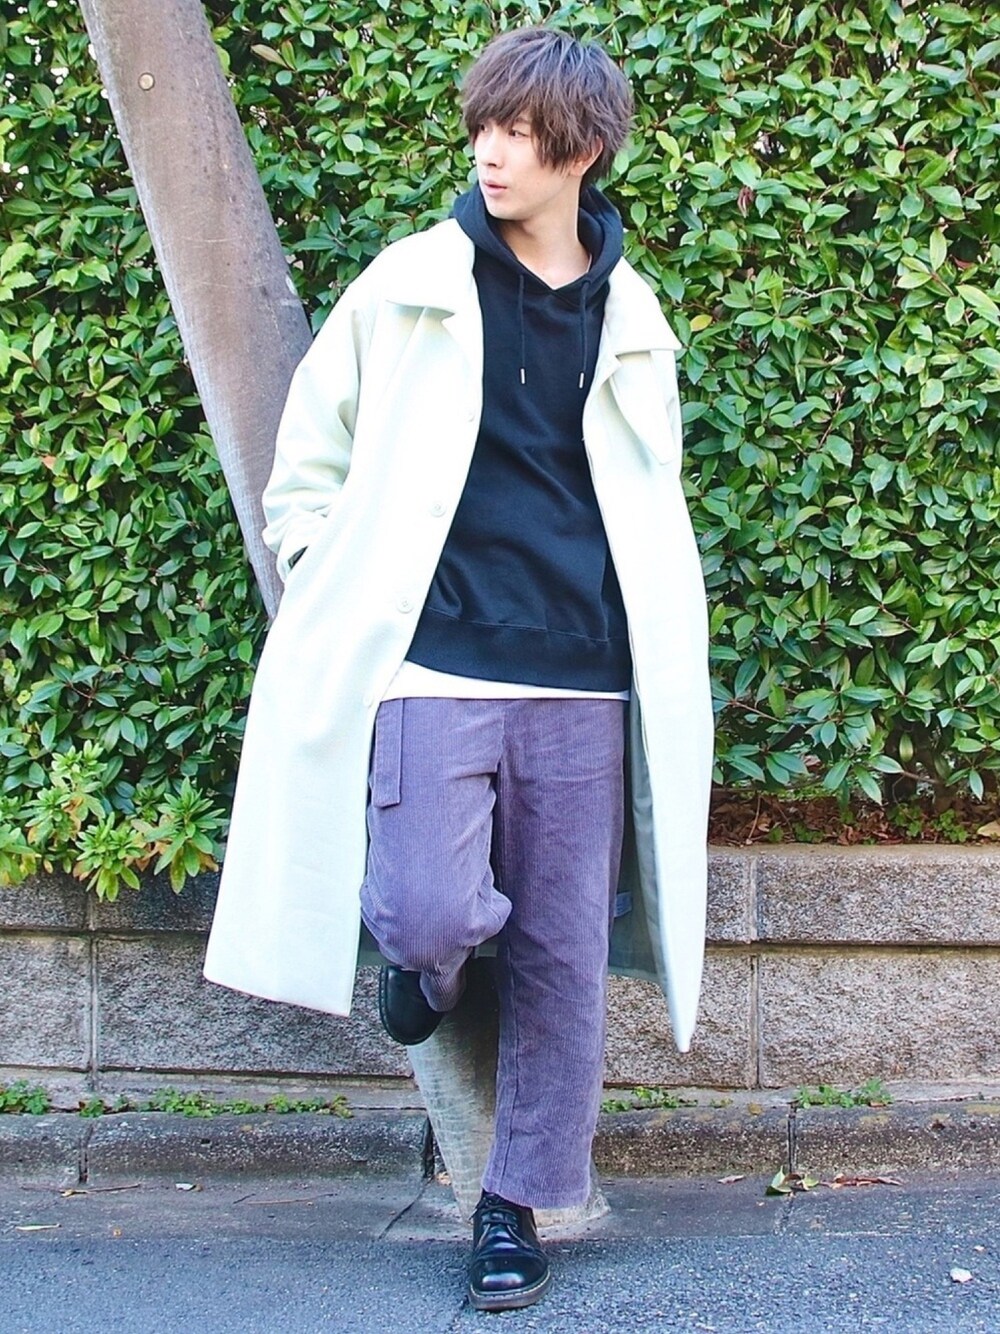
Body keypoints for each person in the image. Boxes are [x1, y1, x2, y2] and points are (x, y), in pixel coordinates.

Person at [204, 24, 712, 1313]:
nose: (491, 152)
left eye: (521, 134)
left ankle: (512, 1207)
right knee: (425, 907)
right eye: (484, 126)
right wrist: (323, 563)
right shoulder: (411, 282)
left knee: (561, 959)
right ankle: (426, 971)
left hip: (584, 671)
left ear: (581, 153)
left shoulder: (632, 311)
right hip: (432, 659)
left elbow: (648, 489)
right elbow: (308, 456)